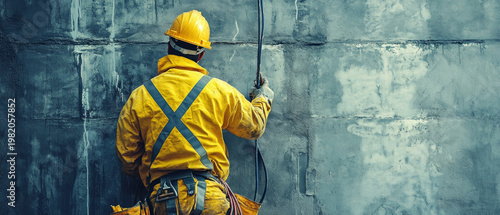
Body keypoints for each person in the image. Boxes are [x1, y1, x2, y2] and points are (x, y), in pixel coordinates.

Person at [116, 10, 274, 215]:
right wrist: (263, 96)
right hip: (210, 200)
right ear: (201, 55)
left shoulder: (139, 97)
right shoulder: (218, 91)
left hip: (162, 199)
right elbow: (254, 127)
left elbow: (128, 161)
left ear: (168, 46)